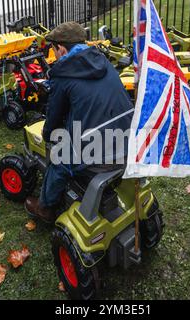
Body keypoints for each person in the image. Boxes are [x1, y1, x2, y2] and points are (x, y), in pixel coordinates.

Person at [24, 22, 133, 223]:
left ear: (62, 49)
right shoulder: (104, 62)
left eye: (52, 49)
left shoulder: (63, 75)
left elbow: (54, 117)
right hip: (129, 142)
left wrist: (48, 137)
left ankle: (45, 207)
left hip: (101, 157)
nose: (53, 53)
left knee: (58, 159)